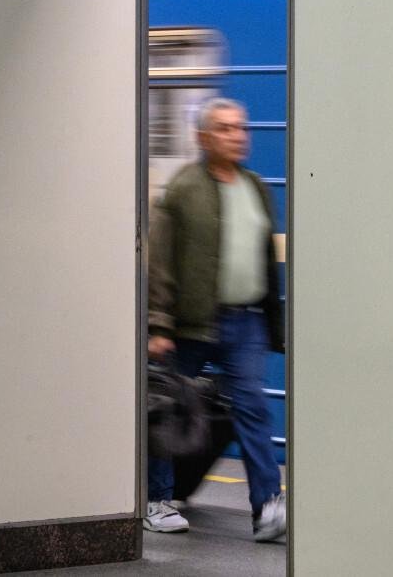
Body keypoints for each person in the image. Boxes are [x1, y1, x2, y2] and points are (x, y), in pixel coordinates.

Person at [146, 97, 287, 543]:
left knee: (253, 409)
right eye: (225, 128)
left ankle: (267, 506)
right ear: (203, 137)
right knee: (165, 410)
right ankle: (157, 500)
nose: (238, 136)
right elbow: (160, 260)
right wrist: (159, 324)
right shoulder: (184, 188)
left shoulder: (255, 186)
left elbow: (266, 259)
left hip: (244, 322)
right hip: (191, 324)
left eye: (241, 128)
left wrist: (274, 320)